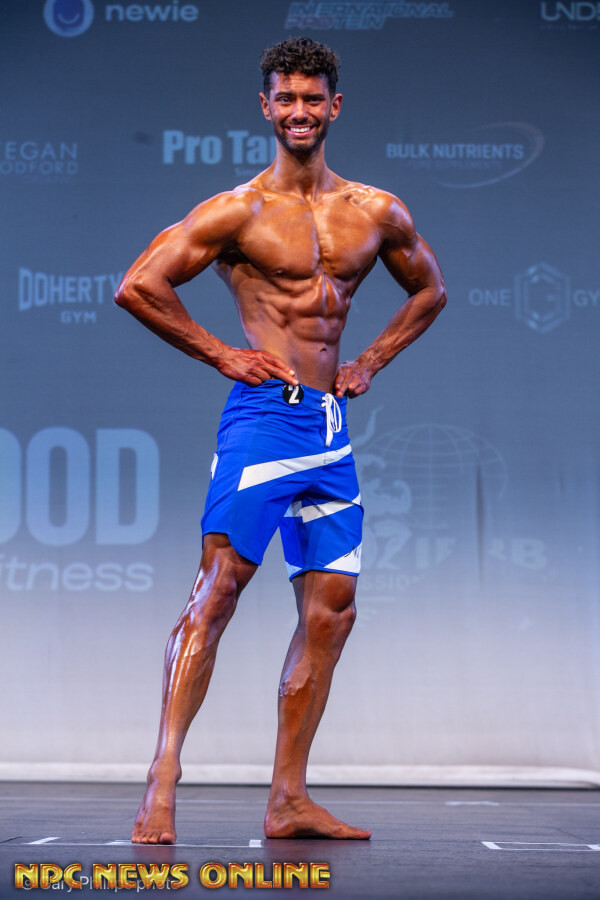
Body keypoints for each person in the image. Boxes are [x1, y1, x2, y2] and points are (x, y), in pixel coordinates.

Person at [115, 36, 446, 844]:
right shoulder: (237, 211)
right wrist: (221, 353)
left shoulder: (376, 211)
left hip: (329, 431)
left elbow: (430, 291)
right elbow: (138, 286)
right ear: (266, 107)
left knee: (332, 613)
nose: (300, 111)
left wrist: (370, 360)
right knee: (220, 589)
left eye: (312, 98)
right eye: (286, 98)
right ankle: (163, 776)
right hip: (265, 419)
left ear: (335, 106)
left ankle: (288, 798)